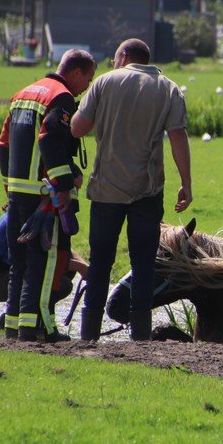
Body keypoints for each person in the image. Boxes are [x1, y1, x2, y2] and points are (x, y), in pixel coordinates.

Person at [70, 38, 192, 341]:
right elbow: (178, 137)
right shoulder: (169, 87)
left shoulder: (104, 83)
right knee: (143, 263)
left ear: (123, 56)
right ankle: (140, 335)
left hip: (106, 189)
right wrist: (186, 183)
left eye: (114, 59)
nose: (113, 64)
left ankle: (89, 333)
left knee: (100, 262)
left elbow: (78, 128)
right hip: (147, 190)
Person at [0, 49, 96, 342]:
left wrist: (9, 184)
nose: (86, 87)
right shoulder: (61, 97)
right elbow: (51, 138)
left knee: (19, 262)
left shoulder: (24, 93)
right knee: (44, 262)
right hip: (44, 196)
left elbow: (3, 142)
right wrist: (64, 185)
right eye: (88, 80)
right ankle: (41, 327)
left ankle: (14, 326)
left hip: (18, 193)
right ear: (76, 73)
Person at [0, 212, 89, 329]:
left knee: (66, 269)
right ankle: (15, 317)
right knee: (63, 284)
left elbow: (59, 247)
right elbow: (40, 260)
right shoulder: (36, 216)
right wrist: (80, 267)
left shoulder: (36, 207)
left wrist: (85, 266)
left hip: (1, 273)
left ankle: (22, 314)